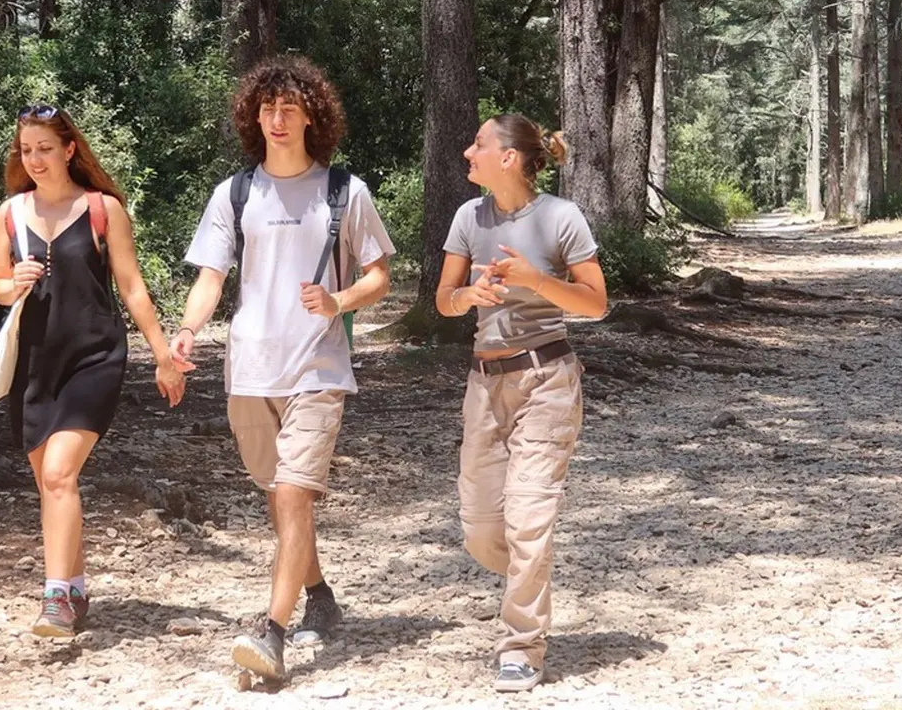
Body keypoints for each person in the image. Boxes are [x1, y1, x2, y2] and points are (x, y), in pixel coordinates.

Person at [170, 56, 395, 684]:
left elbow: (379, 274)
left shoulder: (344, 192)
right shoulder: (235, 193)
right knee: (282, 502)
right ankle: (319, 594)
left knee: (294, 493)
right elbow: (211, 278)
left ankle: (271, 633)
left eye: (289, 109)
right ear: (254, 117)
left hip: (318, 369)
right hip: (249, 370)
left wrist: (339, 301)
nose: (277, 119)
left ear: (311, 116)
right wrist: (186, 332)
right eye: (267, 109)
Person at [0, 103, 191, 639]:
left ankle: (55, 598)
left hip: (95, 357)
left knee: (58, 474)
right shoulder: (10, 213)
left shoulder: (103, 210)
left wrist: (163, 355)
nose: (33, 159)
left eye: (45, 148)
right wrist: (15, 283)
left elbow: (132, 288)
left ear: (70, 149)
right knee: (52, 483)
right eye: (26, 150)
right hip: (33, 365)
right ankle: (75, 589)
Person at [433, 114, 608, 692]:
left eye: (478, 144)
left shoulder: (561, 217)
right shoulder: (469, 217)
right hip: (484, 385)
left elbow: (595, 304)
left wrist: (536, 281)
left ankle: (521, 646)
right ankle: (530, 580)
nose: (468, 151)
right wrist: (467, 296)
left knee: (529, 518)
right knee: (482, 529)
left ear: (508, 157)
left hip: (548, 380)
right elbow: (443, 300)